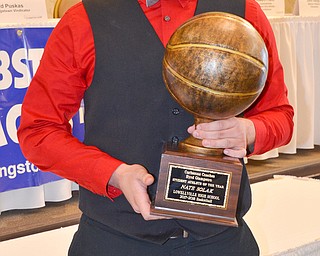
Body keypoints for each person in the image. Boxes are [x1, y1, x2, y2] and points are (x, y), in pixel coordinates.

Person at [17, 0, 294, 255]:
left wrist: (250, 132)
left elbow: (280, 116)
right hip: (115, 241)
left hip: (222, 242)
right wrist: (114, 174)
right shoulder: (84, 19)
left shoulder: (245, 13)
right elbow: (39, 130)